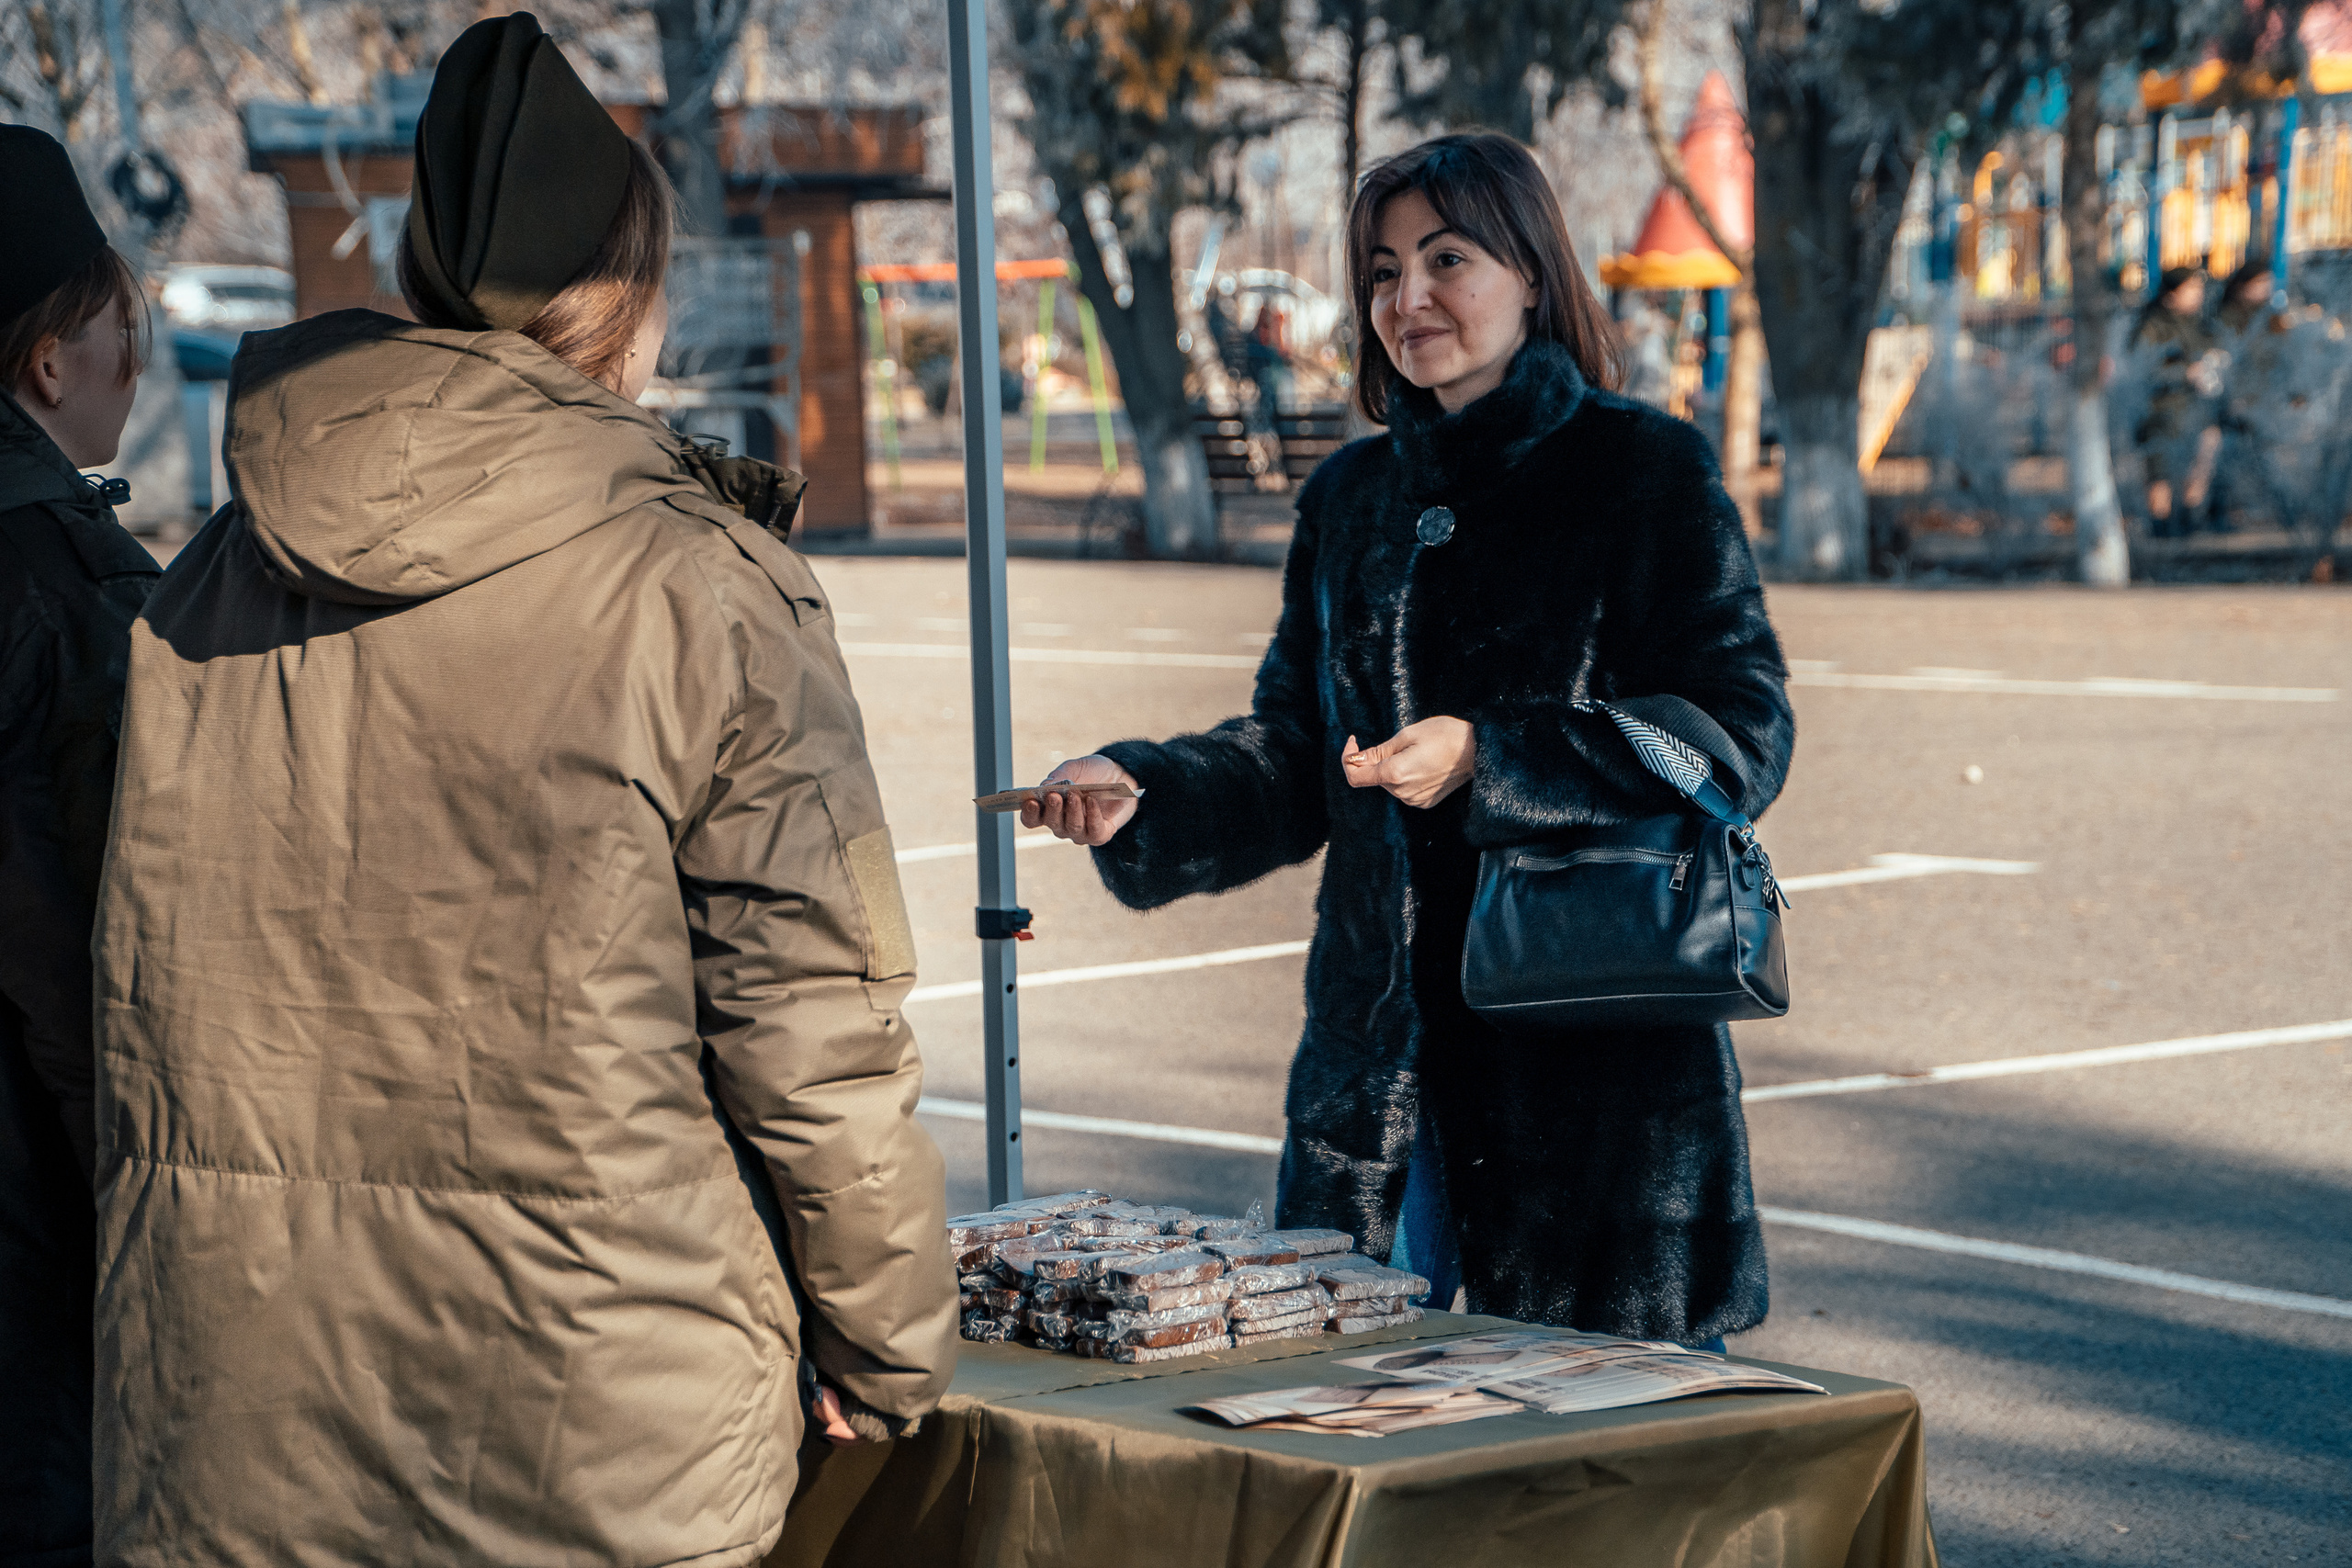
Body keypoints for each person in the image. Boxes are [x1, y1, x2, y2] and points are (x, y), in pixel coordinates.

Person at [88, 16, 955, 1564]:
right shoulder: (704, 583)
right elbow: (814, 1024)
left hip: (238, 1417)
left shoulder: (212, 573)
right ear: (629, 289)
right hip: (597, 1433)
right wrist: (891, 1343)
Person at [1023, 132, 1792, 1348]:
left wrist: (1498, 757)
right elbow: (1291, 756)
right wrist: (1147, 791)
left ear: (1532, 272)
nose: (1406, 298)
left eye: (1447, 259)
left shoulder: (1642, 472)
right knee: (1355, 1446)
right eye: (1381, 271)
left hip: (1593, 1083)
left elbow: (1738, 735)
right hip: (1375, 1076)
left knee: (1586, 1485)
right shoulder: (1349, 500)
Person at [0, 123, 157, 1568]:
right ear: (54, 360)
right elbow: (86, 965)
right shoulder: (72, 590)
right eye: (127, 326)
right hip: (31, 1230)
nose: (138, 361)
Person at [2131, 265, 2223, 536]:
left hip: (2198, 409)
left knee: (2204, 456)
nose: (2198, 295)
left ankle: (2190, 519)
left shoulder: (2203, 325)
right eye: (2191, 289)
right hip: (2159, 413)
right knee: (2159, 472)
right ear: (2171, 294)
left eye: (2200, 289)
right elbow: (2142, 369)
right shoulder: (2151, 325)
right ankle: (2161, 528)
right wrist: (2184, 373)